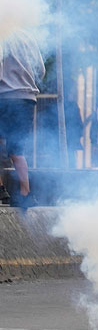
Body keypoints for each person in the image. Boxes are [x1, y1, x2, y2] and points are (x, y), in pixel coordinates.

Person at [0, 30, 46, 209]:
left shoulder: (3, 35)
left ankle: (2, 190)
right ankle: (25, 193)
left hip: (5, 97)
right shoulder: (29, 37)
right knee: (17, 150)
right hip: (28, 99)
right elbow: (40, 70)